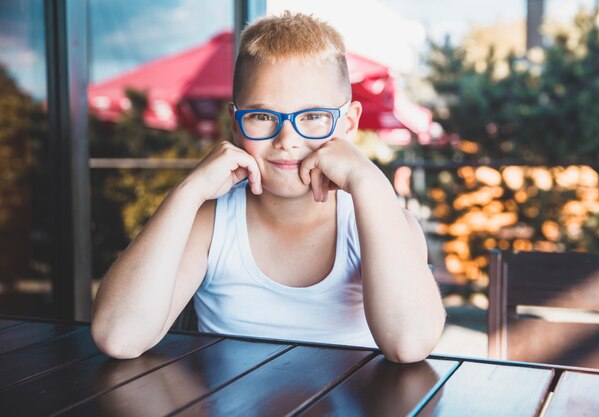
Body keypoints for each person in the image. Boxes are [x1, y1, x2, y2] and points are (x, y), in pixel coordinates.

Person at [91, 11, 445, 363]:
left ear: (348, 123)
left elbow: (409, 344)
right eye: (262, 116)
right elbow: (119, 336)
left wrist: (369, 182)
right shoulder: (210, 223)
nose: (287, 139)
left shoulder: (383, 221)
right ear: (235, 124)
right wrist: (188, 192)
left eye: (312, 116)